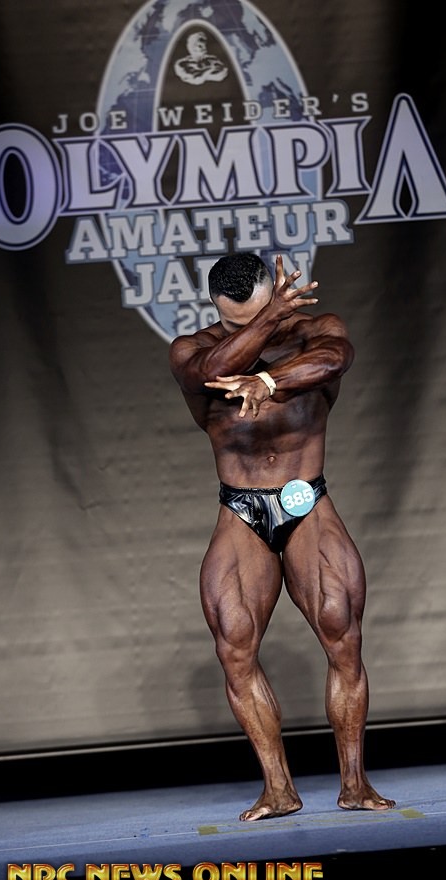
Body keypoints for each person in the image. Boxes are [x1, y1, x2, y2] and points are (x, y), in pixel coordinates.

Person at [168, 252, 395, 821]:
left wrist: (267, 380)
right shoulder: (193, 350)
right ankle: (278, 789)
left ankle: (355, 783)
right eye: (236, 321)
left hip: (305, 497)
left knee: (342, 629)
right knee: (234, 641)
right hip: (240, 506)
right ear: (215, 307)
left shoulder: (316, 331)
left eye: (260, 314)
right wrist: (266, 322)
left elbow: (335, 358)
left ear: (274, 292)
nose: (249, 330)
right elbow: (207, 372)